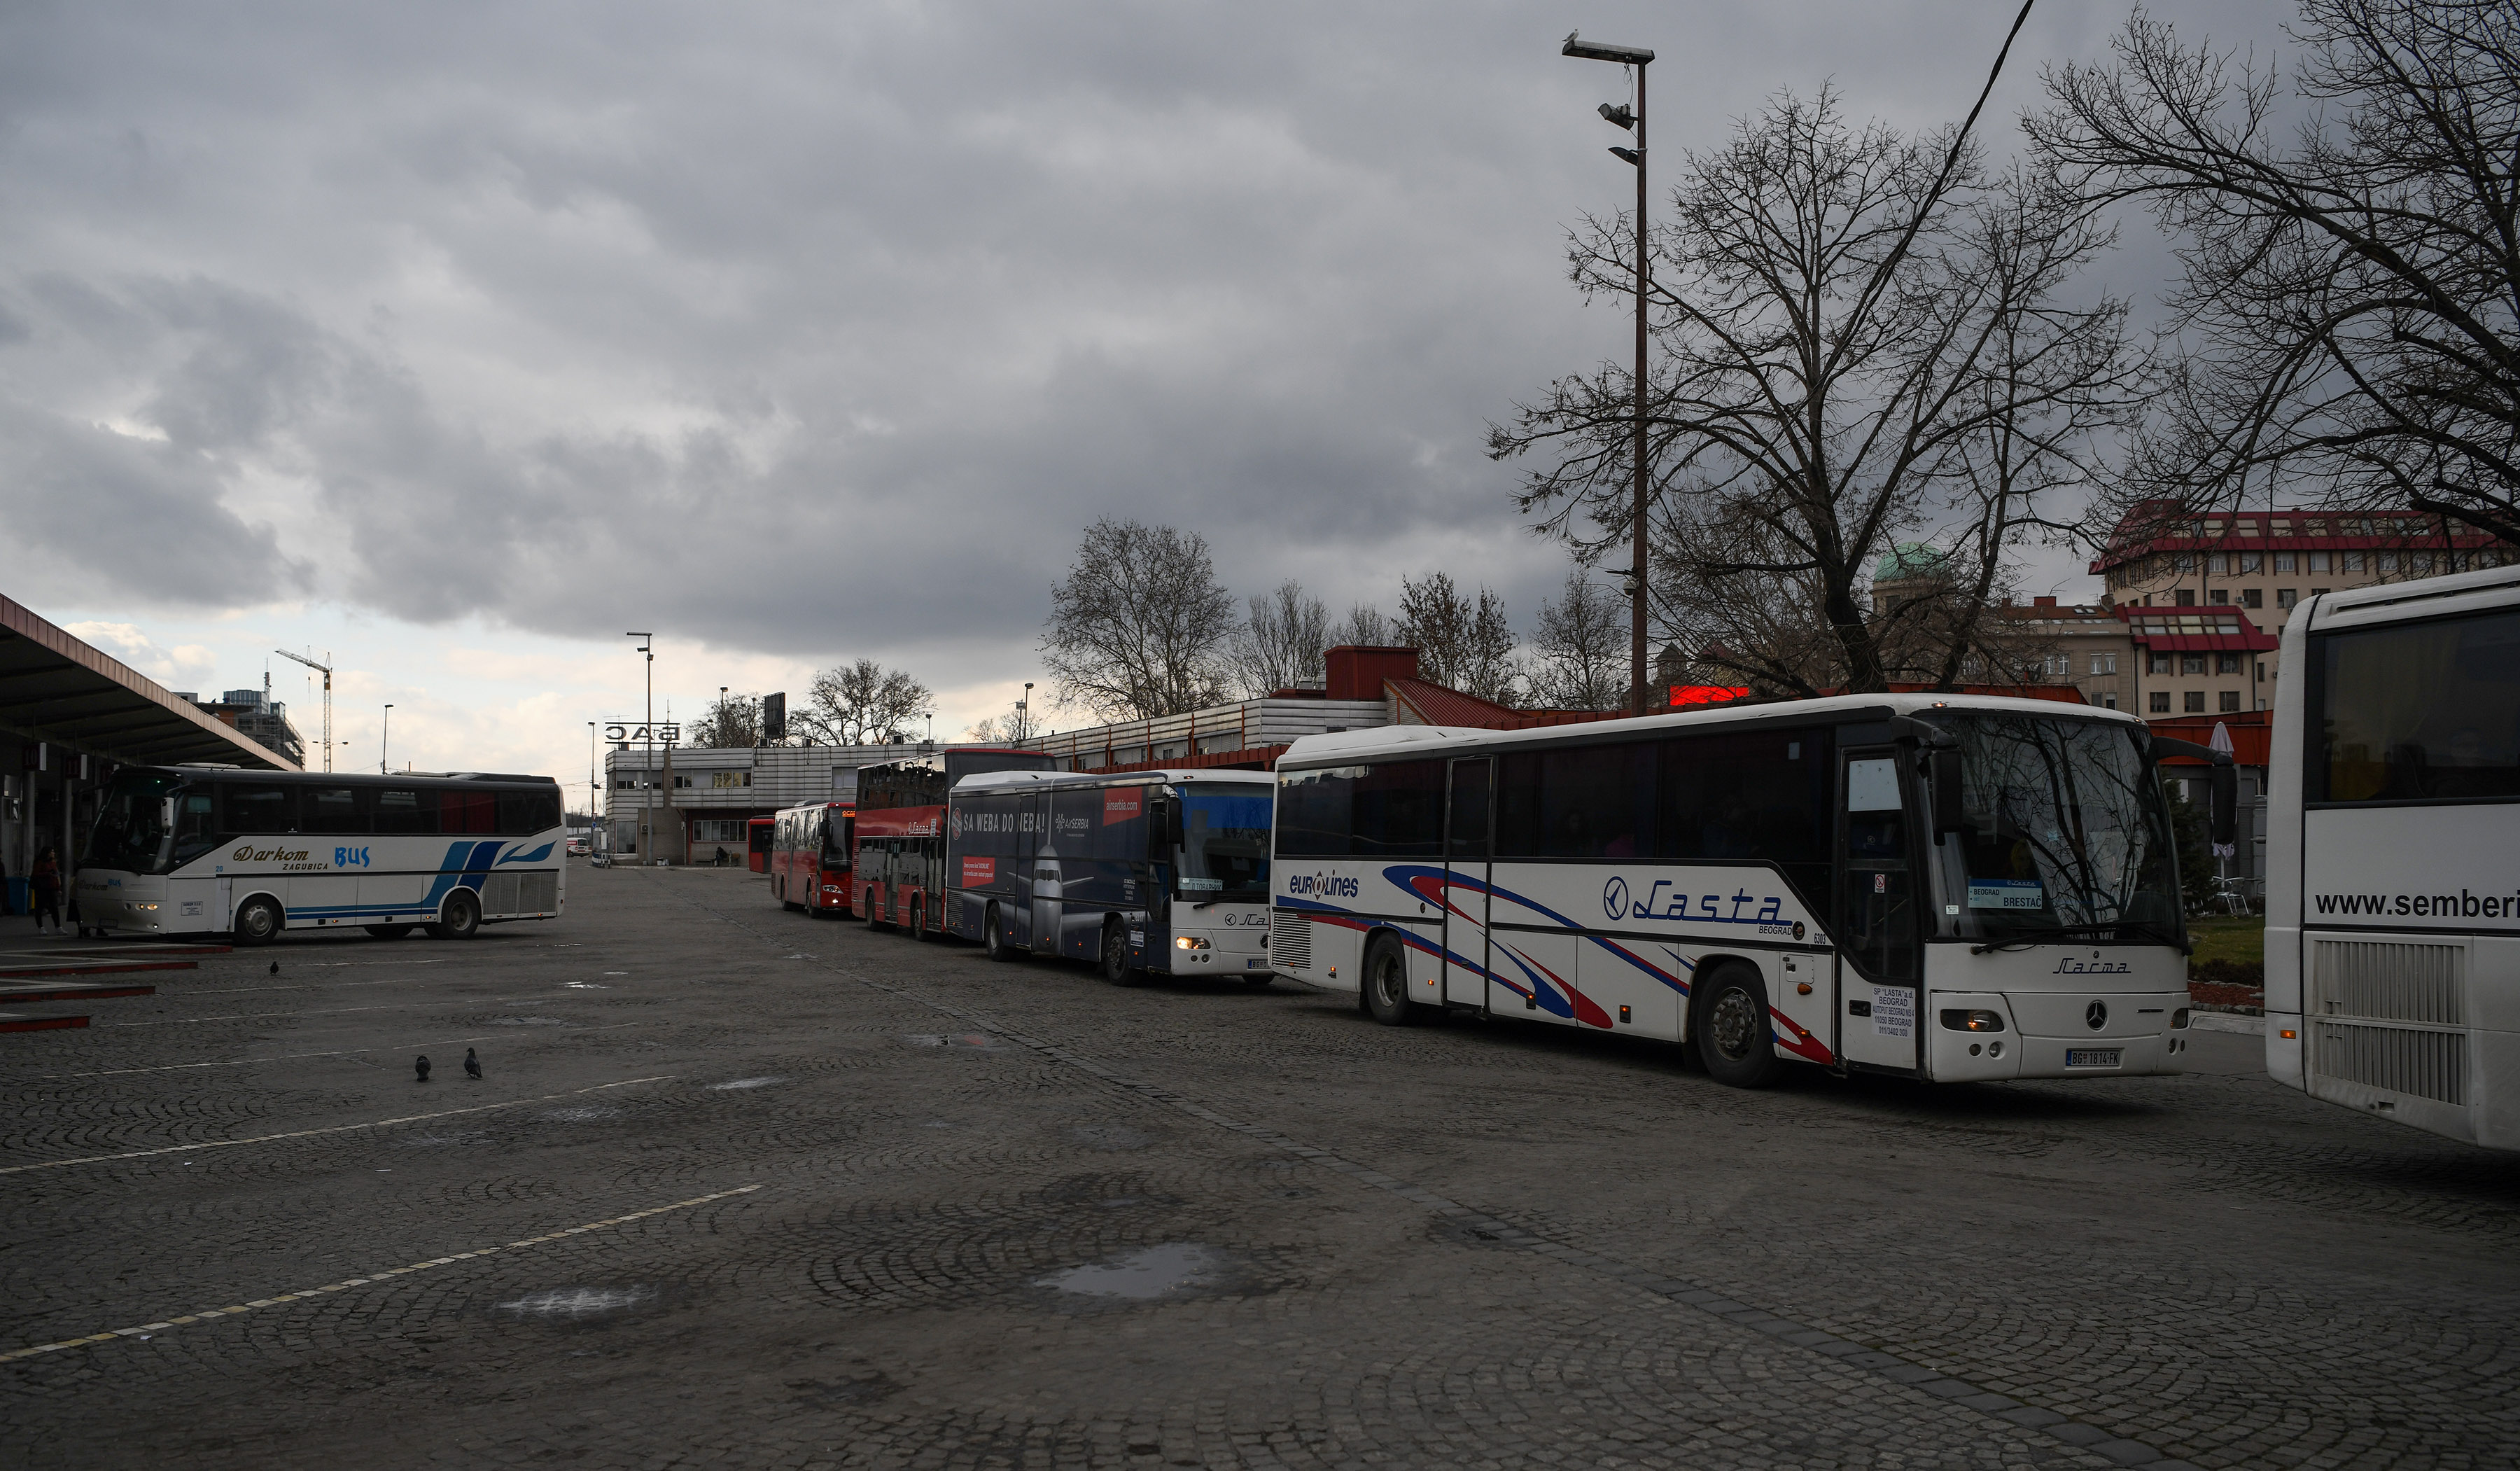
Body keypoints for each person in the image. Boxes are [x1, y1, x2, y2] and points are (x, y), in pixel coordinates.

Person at [29, 846, 63, 936]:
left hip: (51, 888)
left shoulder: (53, 862)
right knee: (39, 908)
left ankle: (58, 927)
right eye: (52, 852)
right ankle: (41, 927)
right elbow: (35, 874)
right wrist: (48, 874)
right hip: (42, 888)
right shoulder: (40, 862)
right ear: (47, 853)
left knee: (54, 908)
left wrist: (58, 888)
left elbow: (56, 876)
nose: (54, 853)